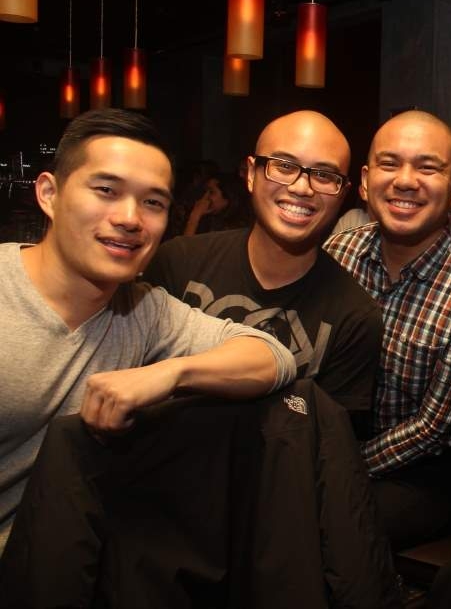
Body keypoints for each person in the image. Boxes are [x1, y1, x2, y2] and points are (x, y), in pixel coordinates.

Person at [0, 109, 296, 553]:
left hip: (61, 561)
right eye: (106, 190)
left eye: (153, 203)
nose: (130, 218)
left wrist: (171, 373)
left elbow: (273, 355)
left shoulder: (144, 309)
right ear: (49, 194)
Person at [324, 110, 451, 549]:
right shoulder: (339, 252)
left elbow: (435, 429)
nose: (405, 181)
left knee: (333, 525)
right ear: (366, 181)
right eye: (389, 164)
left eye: (427, 168)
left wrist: (338, 466)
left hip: (432, 466)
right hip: (340, 441)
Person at [144, 111, 381, 436]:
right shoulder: (178, 262)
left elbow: (326, 443)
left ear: (342, 192)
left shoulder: (354, 315)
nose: (302, 187)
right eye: (284, 166)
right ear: (251, 174)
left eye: (324, 175)